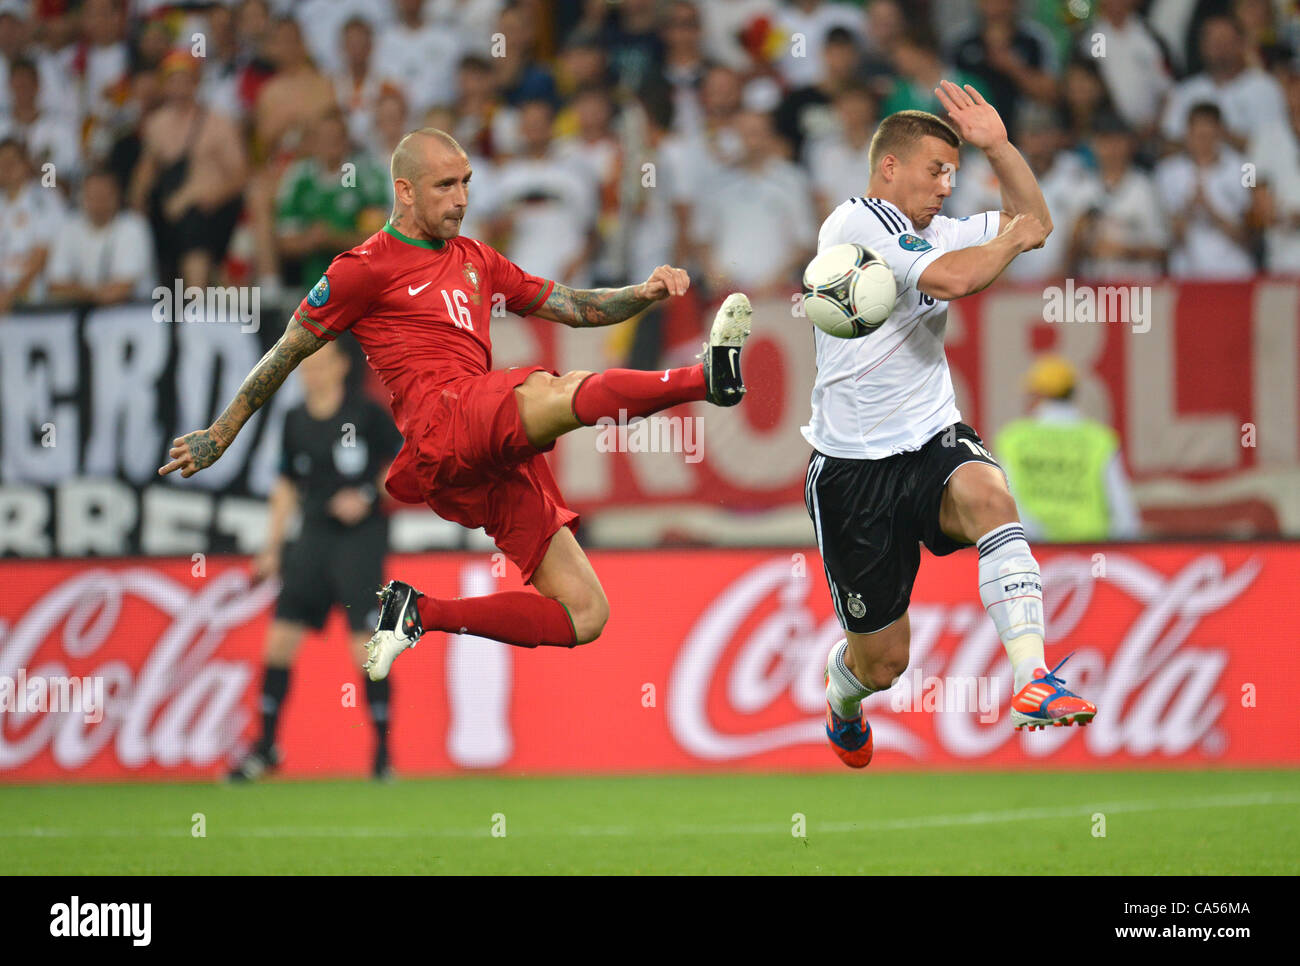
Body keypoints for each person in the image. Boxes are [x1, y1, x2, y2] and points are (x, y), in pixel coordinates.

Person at [158, 127, 751, 683]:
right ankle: (704, 379)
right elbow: (285, 351)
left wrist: (641, 293)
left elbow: (577, 306)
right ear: (405, 191)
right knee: (554, 392)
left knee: (587, 613)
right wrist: (222, 431)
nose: (462, 197)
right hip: (443, 421)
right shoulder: (362, 269)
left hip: (478, 455)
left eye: (466, 181)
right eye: (447, 185)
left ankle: (418, 612)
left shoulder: (477, 259)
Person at [805, 85, 1097, 769]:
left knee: (992, 498)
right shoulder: (856, 224)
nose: (947, 185)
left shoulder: (939, 231)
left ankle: (1033, 679)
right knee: (882, 666)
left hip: (932, 436)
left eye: (954, 174)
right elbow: (960, 280)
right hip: (851, 469)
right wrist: (1013, 237)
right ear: (890, 168)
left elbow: (1038, 222)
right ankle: (840, 702)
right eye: (936, 170)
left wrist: (999, 146)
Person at [230, 339, 403, 781]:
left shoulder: (366, 414)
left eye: (321, 365)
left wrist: (366, 495)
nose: (313, 375)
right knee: (280, 640)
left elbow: (405, 467)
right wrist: (271, 546)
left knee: (364, 648)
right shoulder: (294, 421)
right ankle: (266, 747)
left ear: (341, 366)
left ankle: (383, 755)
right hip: (311, 538)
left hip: (359, 541)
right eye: (306, 368)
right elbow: (286, 483)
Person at [994, 355, 1141, 543]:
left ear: (1037, 395)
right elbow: (1121, 507)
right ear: (1073, 393)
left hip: (1033, 549)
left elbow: (1005, 497)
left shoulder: (1013, 439)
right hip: (1090, 549)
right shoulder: (1100, 439)